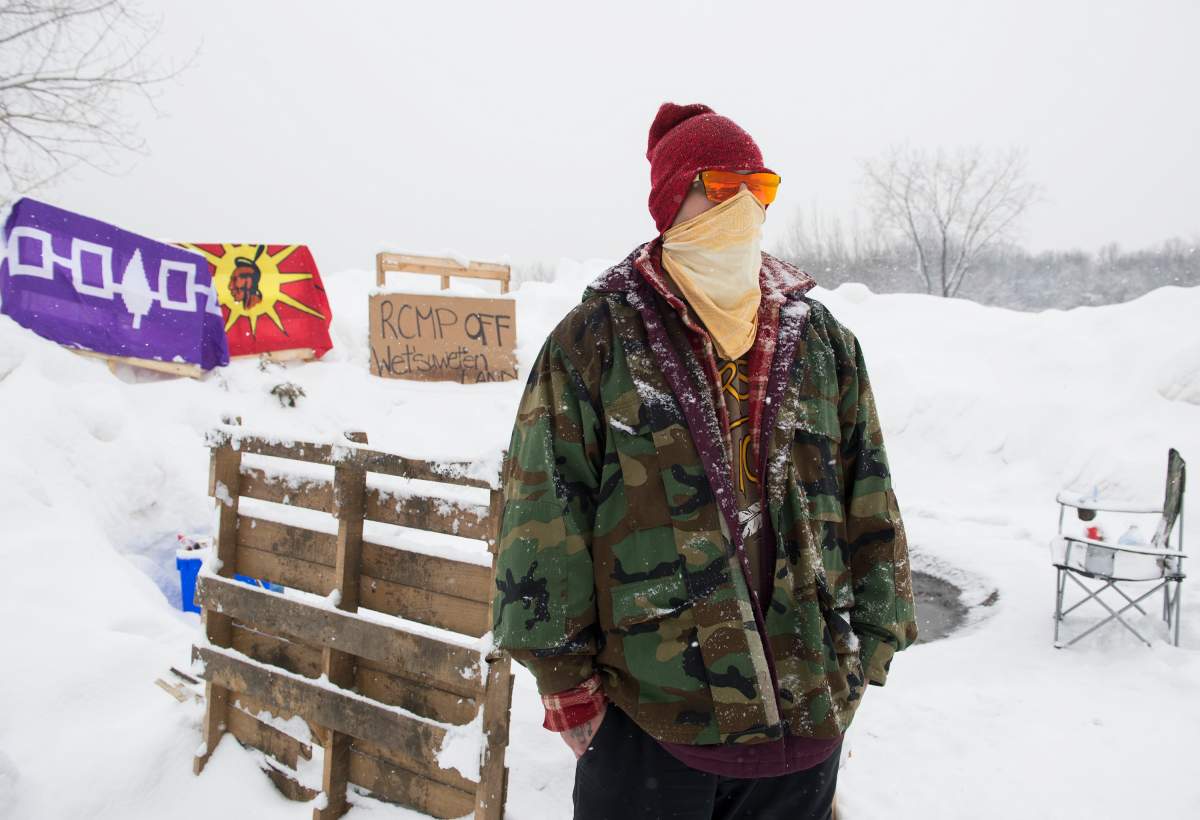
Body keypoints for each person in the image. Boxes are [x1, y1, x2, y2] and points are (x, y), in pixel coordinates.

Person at [492, 102, 918, 820]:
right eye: (721, 187)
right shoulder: (597, 339)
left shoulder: (821, 342)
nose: (745, 206)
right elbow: (543, 512)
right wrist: (568, 690)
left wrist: (863, 658)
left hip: (804, 732)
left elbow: (868, 493)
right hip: (652, 725)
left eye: (761, 187)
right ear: (671, 200)